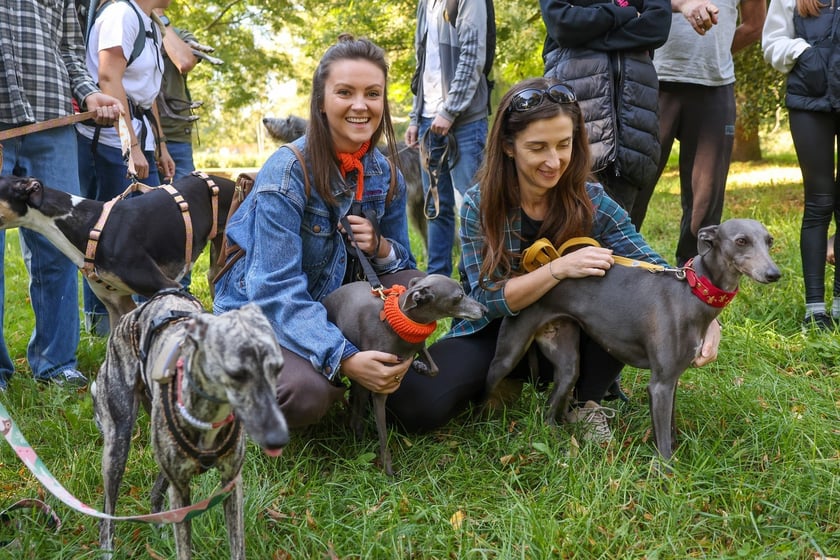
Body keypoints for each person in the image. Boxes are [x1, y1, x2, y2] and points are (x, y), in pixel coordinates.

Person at [387, 78, 721, 442]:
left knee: (626, 294)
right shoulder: (480, 204)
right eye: (538, 147)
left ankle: (585, 399)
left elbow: (654, 268)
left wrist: (705, 314)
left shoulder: (593, 200)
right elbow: (486, 298)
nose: (554, 160)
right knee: (412, 405)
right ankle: (505, 379)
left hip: (580, 337)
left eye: (564, 144)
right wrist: (557, 269)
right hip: (494, 332)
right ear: (508, 146)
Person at [213, 34, 420, 430]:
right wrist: (344, 356)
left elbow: (403, 266)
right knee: (303, 395)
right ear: (321, 102)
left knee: (416, 285)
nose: (360, 105)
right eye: (345, 92)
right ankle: (235, 383)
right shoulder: (288, 172)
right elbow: (273, 290)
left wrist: (380, 247)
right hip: (262, 314)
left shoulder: (385, 174)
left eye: (372, 94)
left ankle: (387, 377)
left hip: (331, 304)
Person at [0, 0, 122, 389]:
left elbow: (69, 49)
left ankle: (56, 364)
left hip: (51, 119)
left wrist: (88, 94)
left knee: (60, 246)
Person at [631, 0, 766, 266]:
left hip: (715, 86)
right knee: (632, 187)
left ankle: (694, 278)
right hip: (651, 81)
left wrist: (716, 53)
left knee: (705, 204)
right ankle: (616, 267)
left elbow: (754, 25)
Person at [76, 0, 176, 336]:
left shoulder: (151, 23)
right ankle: (101, 325)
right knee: (108, 234)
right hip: (109, 141)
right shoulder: (121, 14)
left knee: (144, 230)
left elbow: (147, 96)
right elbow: (108, 78)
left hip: (139, 133)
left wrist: (160, 145)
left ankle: (140, 319)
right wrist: (130, 146)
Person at [763, 0, 840, 330]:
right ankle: (815, 309)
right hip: (809, 104)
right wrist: (803, 52)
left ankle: (839, 304)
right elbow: (771, 43)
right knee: (819, 202)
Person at [405, 0, 491, 278]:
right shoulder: (425, 4)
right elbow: (422, 64)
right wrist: (415, 117)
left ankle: (477, 279)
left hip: (465, 119)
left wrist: (450, 110)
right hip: (428, 120)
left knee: (475, 205)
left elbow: (472, 56)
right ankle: (436, 281)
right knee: (435, 207)